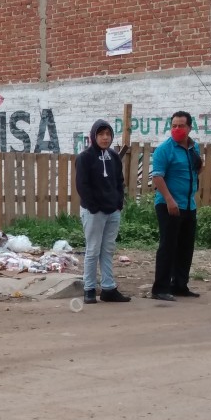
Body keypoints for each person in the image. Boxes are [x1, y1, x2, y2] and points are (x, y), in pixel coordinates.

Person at [74, 119, 130, 304]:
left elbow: (118, 181)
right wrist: (94, 206)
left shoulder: (113, 157)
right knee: (93, 250)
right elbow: (82, 185)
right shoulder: (85, 158)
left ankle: (108, 288)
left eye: (108, 134)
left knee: (108, 250)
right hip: (94, 212)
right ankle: (89, 288)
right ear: (94, 136)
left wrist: (118, 203)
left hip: (112, 210)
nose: (105, 138)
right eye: (101, 134)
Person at [150, 111, 203, 301]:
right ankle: (160, 288)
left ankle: (180, 285)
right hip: (169, 205)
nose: (177, 129)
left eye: (181, 126)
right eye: (174, 126)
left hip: (189, 204)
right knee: (168, 246)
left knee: (186, 246)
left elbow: (196, 170)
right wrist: (170, 200)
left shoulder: (194, 147)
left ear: (189, 128)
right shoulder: (164, 149)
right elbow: (157, 176)